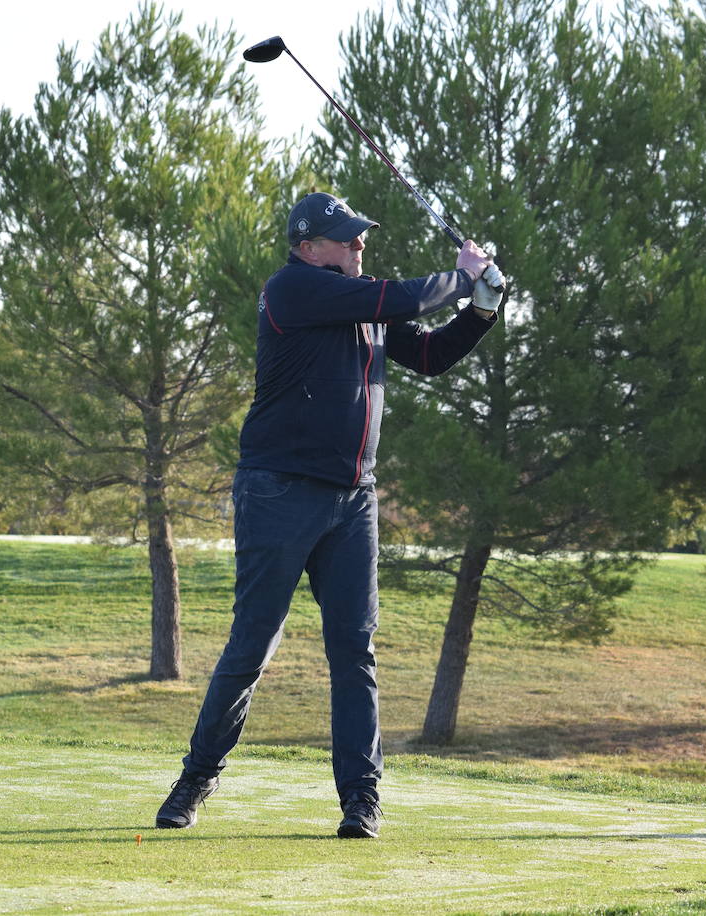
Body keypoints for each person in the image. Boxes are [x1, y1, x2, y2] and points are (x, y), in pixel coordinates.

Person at [156, 191, 503, 839]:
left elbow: (429, 356)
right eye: (347, 238)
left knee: (355, 652)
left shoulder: (363, 299)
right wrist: (461, 275)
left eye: (361, 236)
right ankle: (194, 781)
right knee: (252, 645)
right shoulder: (292, 289)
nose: (359, 245)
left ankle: (360, 804)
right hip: (279, 491)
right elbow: (397, 298)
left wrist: (481, 308)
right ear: (309, 247)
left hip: (353, 502)